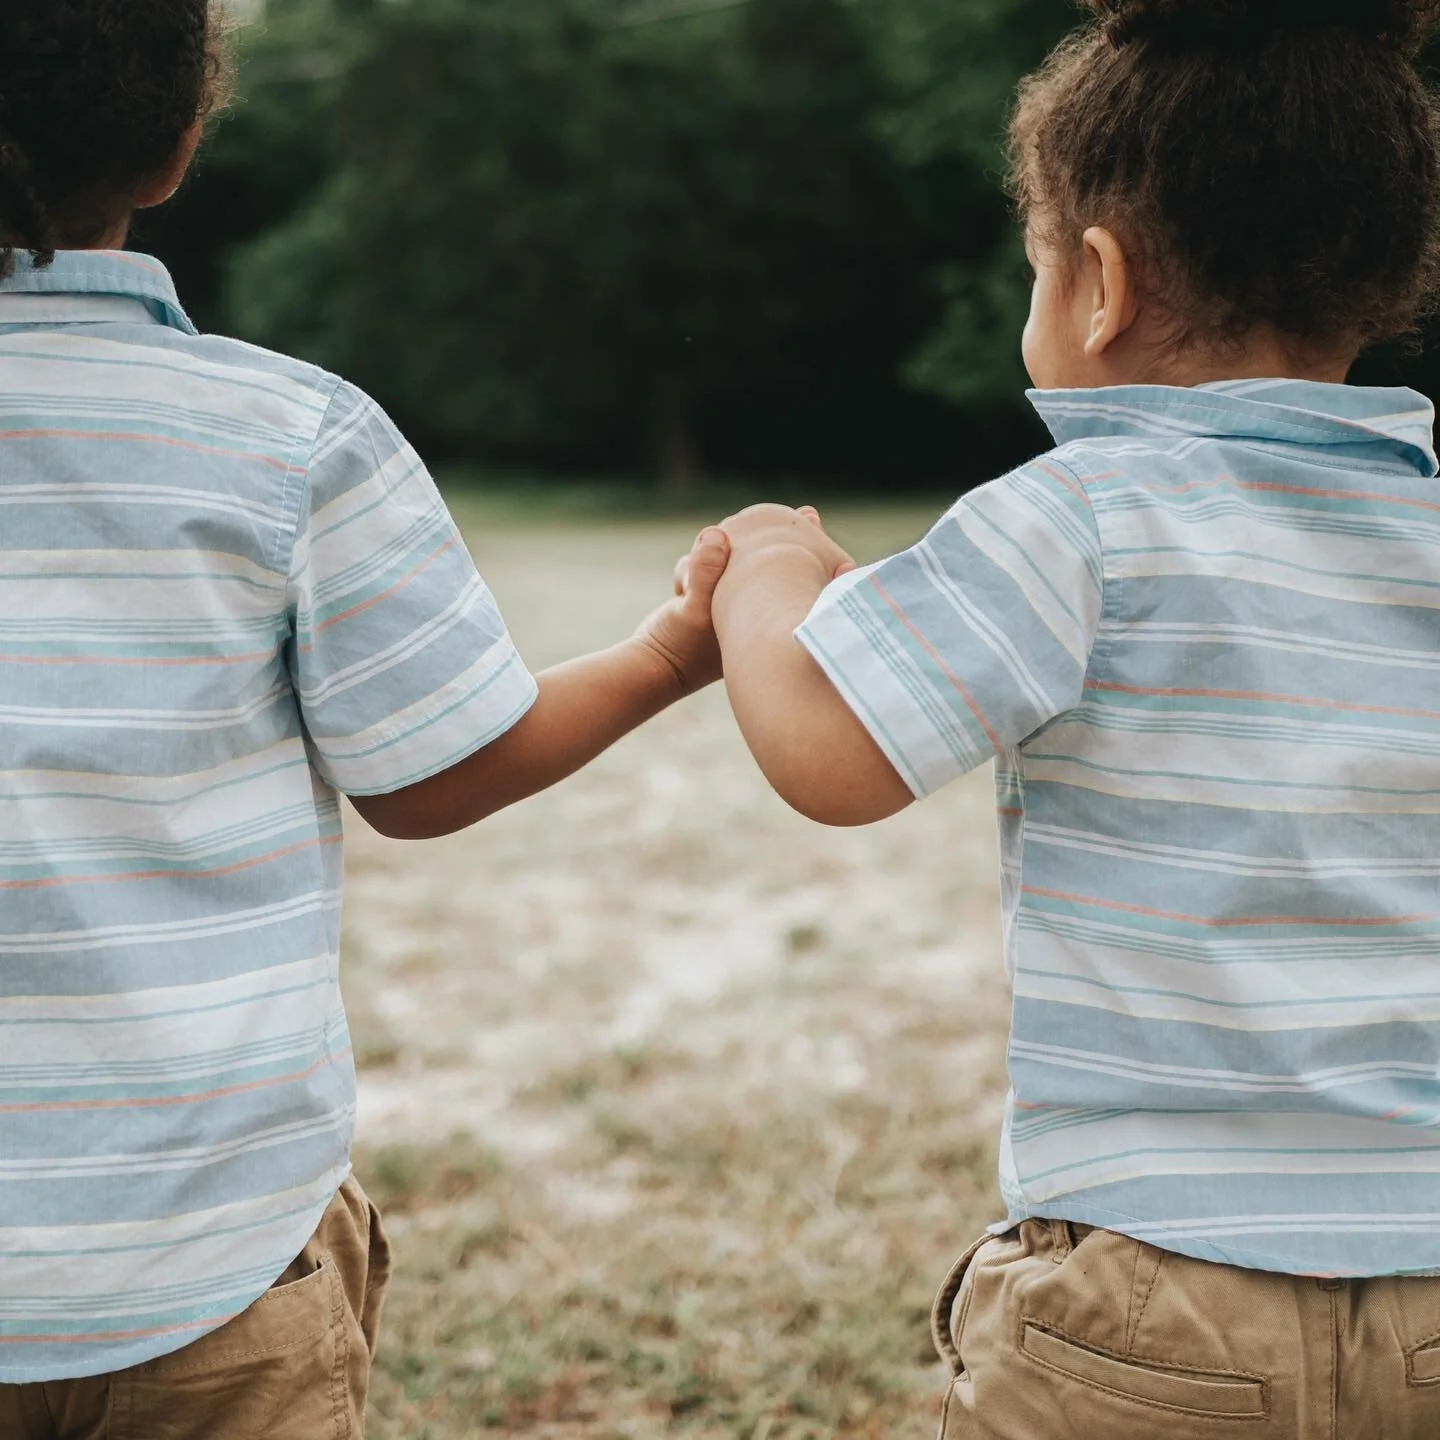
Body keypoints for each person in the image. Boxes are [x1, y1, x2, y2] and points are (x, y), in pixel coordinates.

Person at [0, 4, 739, 1436]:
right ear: (177, 146)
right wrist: (667, 655)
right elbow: (429, 776)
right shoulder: (292, 440)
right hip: (215, 1270)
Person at [710, 0, 1440, 1435]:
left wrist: (769, 571)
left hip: (1161, 1303)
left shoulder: (1081, 518)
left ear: (1099, 282)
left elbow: (825, 748)